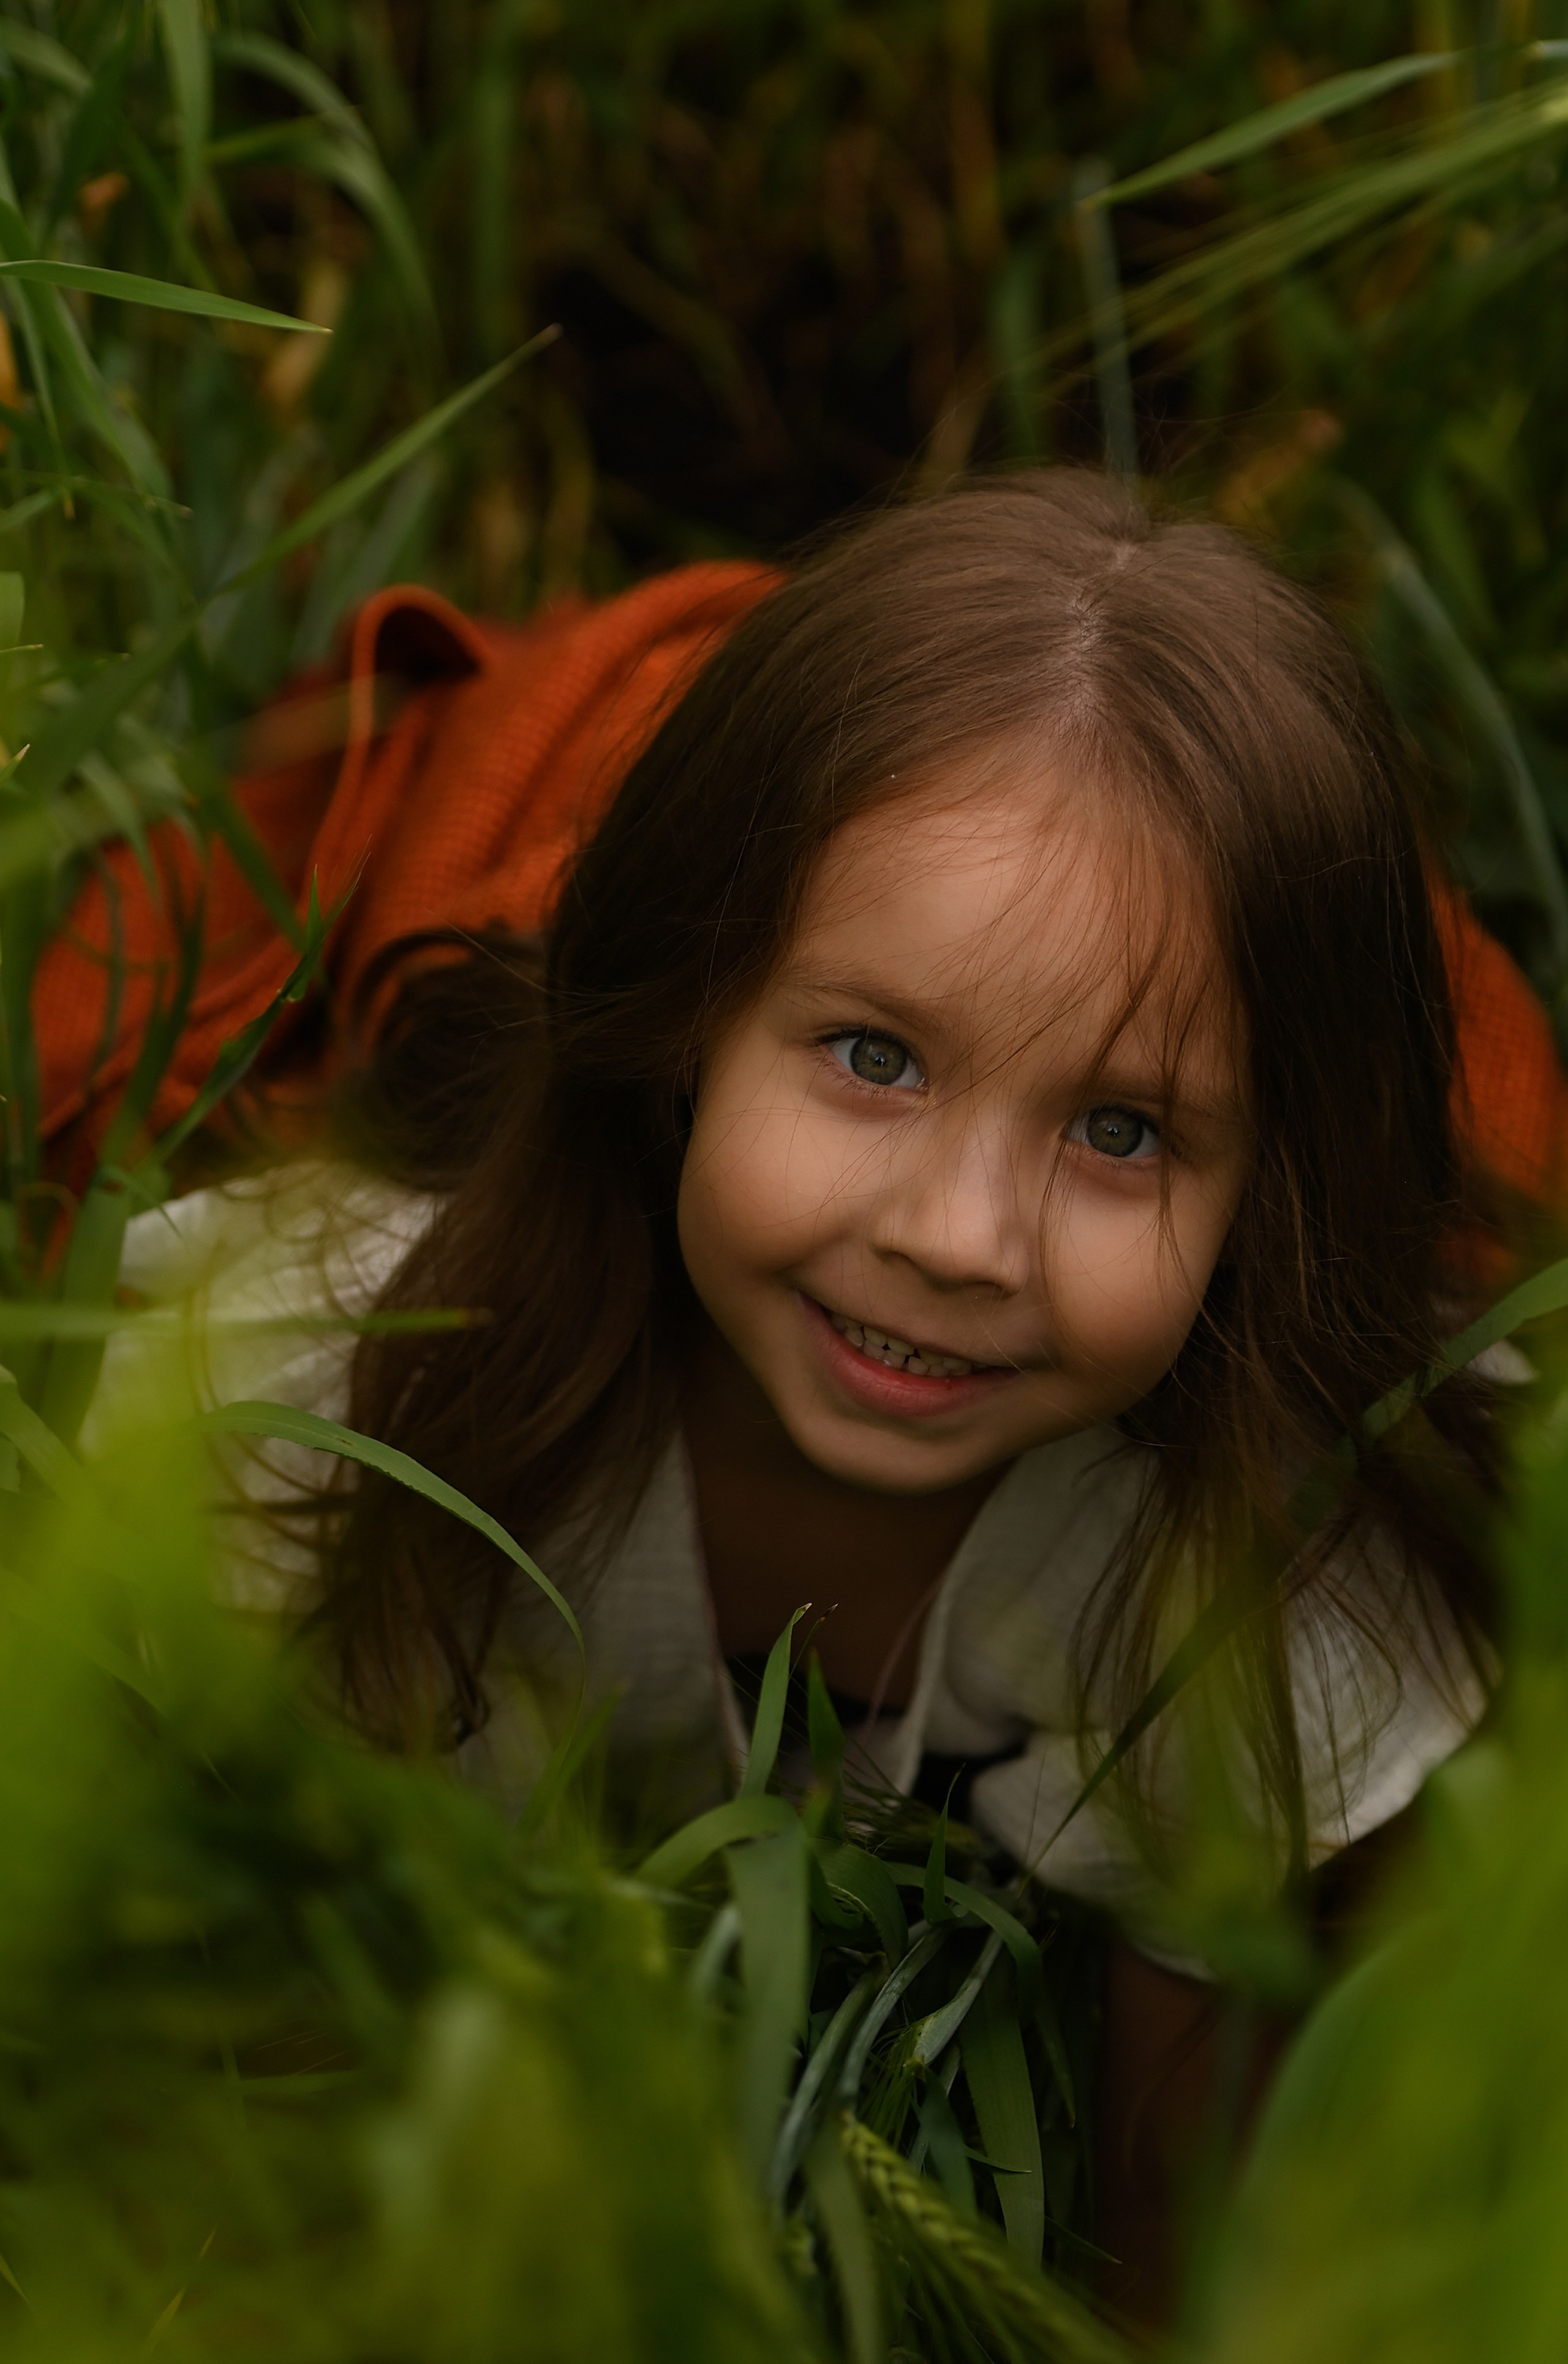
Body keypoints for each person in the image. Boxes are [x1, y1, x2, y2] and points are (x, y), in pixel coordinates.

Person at [68, 470, 1564, 2317]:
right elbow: (243, 2044)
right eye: (874, 1054)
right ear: (692, 1011)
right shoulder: (383, 1388)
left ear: (1264, 1187)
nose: (958, 1236)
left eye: (1119, 1128)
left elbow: (1170, 2252)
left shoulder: (1246, 1562)